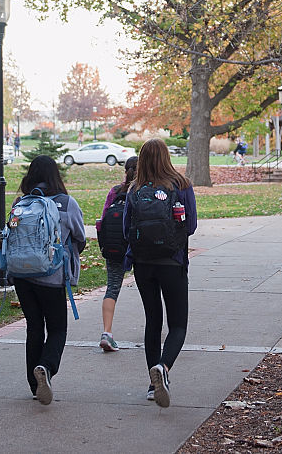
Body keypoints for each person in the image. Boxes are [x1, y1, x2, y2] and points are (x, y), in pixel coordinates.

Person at [123, 138, 197, 408]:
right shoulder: (182, 185)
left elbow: (125, 230)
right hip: (173, 262)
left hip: (143, 265)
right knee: (177, 324)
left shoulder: (135, 188)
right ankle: (164, 368)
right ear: (166, 157)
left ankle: (153, 386)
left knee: (152, 321)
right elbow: (191, 226)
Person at [11, 155, 85, 405]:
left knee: (34, 326)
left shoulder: (21, 203)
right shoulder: (66, 203)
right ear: (56, 176)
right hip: (51, 277)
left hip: (21, 275)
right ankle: (46, 367)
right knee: (57, 329)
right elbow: (80, 238)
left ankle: (35, 386)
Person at [96, 155, 138, 352]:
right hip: (140, 247)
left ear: (125, 171)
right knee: (152, 289)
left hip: (115, 247)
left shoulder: (115, 192)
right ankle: (154, 330)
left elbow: (103, 221)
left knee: (112, 288)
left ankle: (107, 332)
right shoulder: (144, 191)